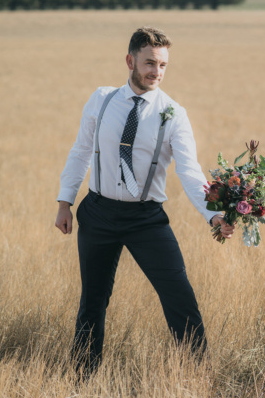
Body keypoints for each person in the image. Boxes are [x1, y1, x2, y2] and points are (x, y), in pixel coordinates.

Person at [55, 26, 235, 375]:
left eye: (163, 65)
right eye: (150, 63)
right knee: (93, 301)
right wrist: (65, 201)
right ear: (130, 61)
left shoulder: (173, 113)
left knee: (179, 297)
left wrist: (213, 215)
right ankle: (82, 376)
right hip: (98, 213)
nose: (157, 72)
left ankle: (198, 373)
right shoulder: (101, 100)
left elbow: (190, 170)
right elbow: (80, 152)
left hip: (146, 220)